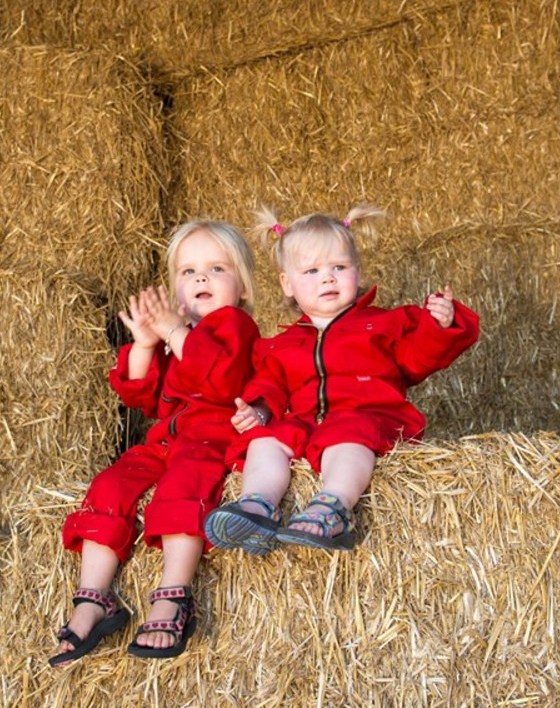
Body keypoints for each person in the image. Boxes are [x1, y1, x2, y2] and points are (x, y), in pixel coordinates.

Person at [204, 206, 478, 553]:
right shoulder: (281, 344)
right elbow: (271, 382)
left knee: (347, 437)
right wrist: (259, 410)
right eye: (312, 270)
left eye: (339, 267)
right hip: (306, 421)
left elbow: (416, 359)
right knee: (265, 440)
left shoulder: (383, 325)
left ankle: (332, 508)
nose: (328, 278)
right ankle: (256, 507)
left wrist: (438, 327)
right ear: (287, 284)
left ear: (357, 271)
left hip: (368, 417)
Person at [50, 220, 259, 665]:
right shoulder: (172, 338)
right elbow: (141, 397)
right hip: (165, 443)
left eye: (217, 268)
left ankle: (173, 594)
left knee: (181, 489)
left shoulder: (236, 327)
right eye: (188, 272)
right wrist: (145, 343)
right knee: (110, 485)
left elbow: (223, 383)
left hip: (210, 443)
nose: (201, 278)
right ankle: (93, 598)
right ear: (174, 290)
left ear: (242, 287)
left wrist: (173, 333)